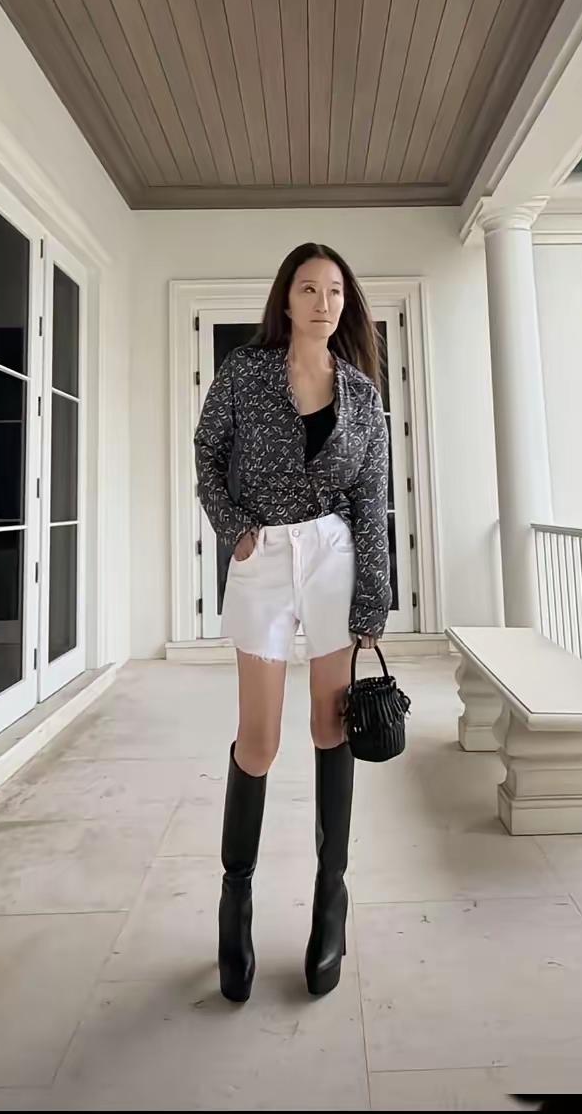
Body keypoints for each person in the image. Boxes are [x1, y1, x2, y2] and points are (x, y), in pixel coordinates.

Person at [194, 242, 392, 1003]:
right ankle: (235, 903)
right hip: (263, 554)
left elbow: (371, 498)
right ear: (286, 298)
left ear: (346, 303)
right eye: (308, 289)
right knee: (261, 738)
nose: (322, 302)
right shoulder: (245, 372)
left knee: (330, 726)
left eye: (334, 291)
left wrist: (371, 599)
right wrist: (234, 526)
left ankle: (329, 902)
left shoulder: (362, 393)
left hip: (334, 554)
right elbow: (208, 453)